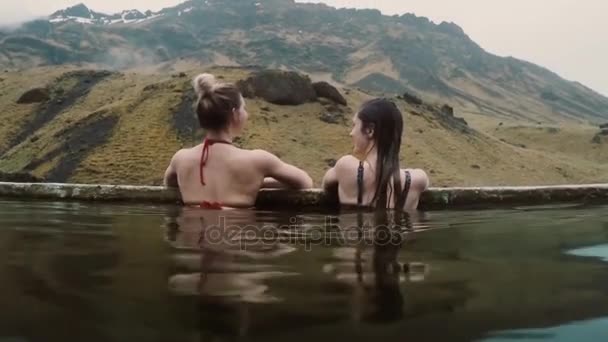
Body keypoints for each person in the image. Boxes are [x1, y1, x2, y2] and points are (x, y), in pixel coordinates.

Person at [164, 73, 313, 208]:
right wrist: (257, 182)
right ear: (235, 114)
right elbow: (305, 182)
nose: (246, 114)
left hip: (192, 236)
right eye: (244, 108)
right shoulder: (257, 160)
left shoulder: (181, 158)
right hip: (237, 233)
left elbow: (170, 183)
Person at [322, 98, 429, 211]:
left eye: (354, 125)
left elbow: (326, 185)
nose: (351, 133)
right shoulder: (417, 180)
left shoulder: (346, 167)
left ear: (370, 131)